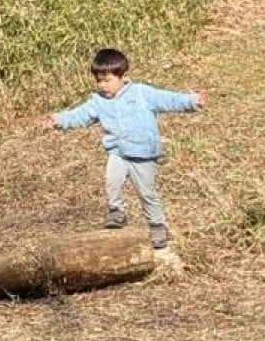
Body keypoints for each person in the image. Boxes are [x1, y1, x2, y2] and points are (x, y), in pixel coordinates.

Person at [43, 47, 204, 249]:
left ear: (122, 76)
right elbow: (79, 115)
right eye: (99, 81)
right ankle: (116, 213)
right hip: (118, 152)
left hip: (143, 154)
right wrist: (58, 120)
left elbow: (167, 99)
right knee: (111, 181)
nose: (103, 85)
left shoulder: (141, 93)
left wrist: (191, 101)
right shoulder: (98, 102)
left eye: (107, 80)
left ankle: (157, 227)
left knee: (146, 193)